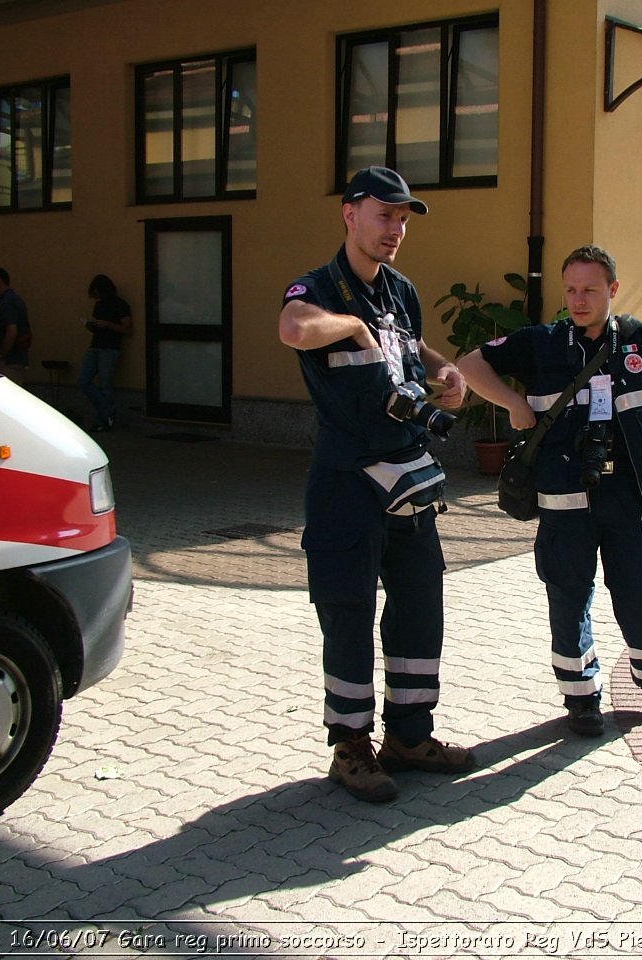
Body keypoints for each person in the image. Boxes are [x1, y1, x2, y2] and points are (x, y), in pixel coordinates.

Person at [458, 244, 642, 737]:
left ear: (612, 291)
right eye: (571, 290)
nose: (578, 300)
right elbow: (471, 365)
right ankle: (580, 696)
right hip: (564, 501)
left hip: (632, 499)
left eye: (590, 290)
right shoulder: (540, 342)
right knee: (568, 595)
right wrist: (514, 402)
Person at [278, 166, 476, 803]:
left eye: (403, 219)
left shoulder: (402, 290)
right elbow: (293, 329)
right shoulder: (319, 286)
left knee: (420, 604)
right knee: (348, 612)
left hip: (408, 475)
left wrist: (448, 374)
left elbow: (415, 348)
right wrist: (352, 326)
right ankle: (352, 748)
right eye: (384, 215)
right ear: (350, 213)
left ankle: (409, 737)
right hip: (346, 483)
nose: (395, 229)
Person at [78, 274, 132, 431]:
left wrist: (109, 325)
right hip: (95, 345)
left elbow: (128, 329)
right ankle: (108, 411)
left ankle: (104, 421)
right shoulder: (99, 305)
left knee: (105, 385)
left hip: (110, 348)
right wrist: (91, 326)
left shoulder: (121, 305)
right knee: (83, 380)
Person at [0, 267, 30, 385]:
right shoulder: (13, 299)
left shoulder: (7, 302)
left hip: (8, 361)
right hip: (16, 358)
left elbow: (11, 331)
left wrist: (1, 354)